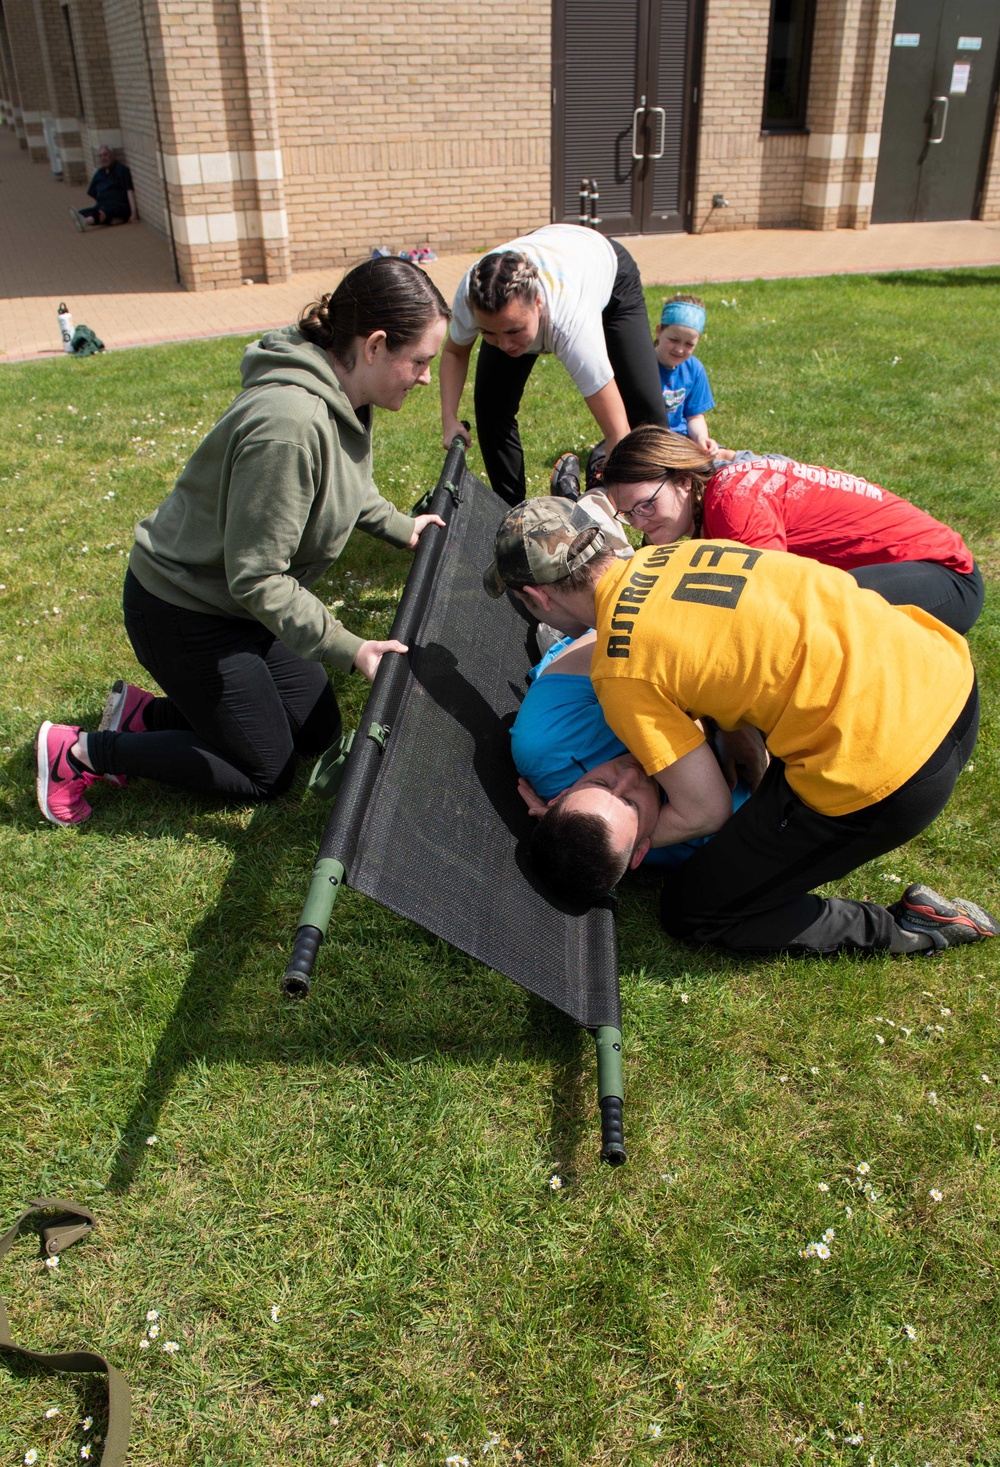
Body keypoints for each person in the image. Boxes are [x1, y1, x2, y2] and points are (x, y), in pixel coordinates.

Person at [482, 497, 998, 956]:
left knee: (694, 911)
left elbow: (704, 812)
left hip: (892, 767)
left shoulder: (621, 668)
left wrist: (589, 831)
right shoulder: (672, 554)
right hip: (943, 672)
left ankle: (905, 929)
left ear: (539, 598)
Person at [36, 257, 450, 827]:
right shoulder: (291, 424)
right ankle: (79, 752)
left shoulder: (344, 393)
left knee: (319, 731)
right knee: (268, 772)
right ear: (375, 345)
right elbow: (256, 578)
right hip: (184, 610)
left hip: (237, 605)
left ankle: (141, 716)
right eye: (421, 361)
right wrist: (351, 646)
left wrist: (401, 527)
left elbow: (346, 484)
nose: (427, 376)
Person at [601, 426, 985, 635]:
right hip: (918, 570)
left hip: (946, 578)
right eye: (629, 514)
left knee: (814, 616)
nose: (640, 522)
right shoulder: (724, 490)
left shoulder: (732, 502)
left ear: (684, 481)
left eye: (647, 504)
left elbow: (768, 606)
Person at [439, 224, 668, 506]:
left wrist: (609, 503)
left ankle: (660, 517)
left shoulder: (570, 324)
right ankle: (511, 512)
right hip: (551, 249)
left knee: (647, 413)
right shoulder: (472, 297)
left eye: (513, 331)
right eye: (488, 333)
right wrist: (448, 419)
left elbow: (617, 432)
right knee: (491, 408)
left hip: (606, 268)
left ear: (538, 302)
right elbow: (454, 353)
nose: (505, 345)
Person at [510, 628, 754, 872]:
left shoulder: (547, 743)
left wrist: (726, 711)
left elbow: (630, 630)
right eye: (631, 804)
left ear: (560, 797)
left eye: (600, 783)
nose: (630, 774)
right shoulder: (708, 834)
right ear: (640, 852)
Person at [653, 294, 717, 452]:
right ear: (659, 331)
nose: (680, 349)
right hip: (650, 442)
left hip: (682, 442)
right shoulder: (642, 365)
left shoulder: (694, 368)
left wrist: (701, 438)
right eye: (674, 340)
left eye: (689, 344)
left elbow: (694, 416)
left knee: (720, 455)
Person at [70, 145, 139, 230]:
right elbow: (93, 192)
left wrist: (133, 213)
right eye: (100, 156)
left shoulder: (122, 170)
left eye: (105, 155)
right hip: (103, 205)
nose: (103, 158)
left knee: (103, 212)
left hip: (119, 206)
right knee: (84, 212)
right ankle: (109, 219)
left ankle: (85, 222)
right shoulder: (100, 173)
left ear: (112, 155)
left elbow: (129, 191)